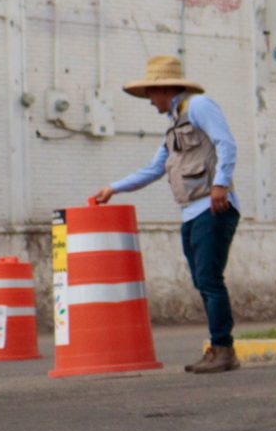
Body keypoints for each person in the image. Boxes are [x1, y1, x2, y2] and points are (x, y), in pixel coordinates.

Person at [92, 53, 241, 373]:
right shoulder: (174, 124)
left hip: (212, 207)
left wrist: (221, 184)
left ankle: (223, 349)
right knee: (202, 280)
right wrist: (114, 188)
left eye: (149, 93)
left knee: (209, 279)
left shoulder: (200, 106)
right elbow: (155, 168)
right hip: (192, 212)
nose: (148, 101)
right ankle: (218, 348)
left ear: (163, 90)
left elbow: (226, 143)